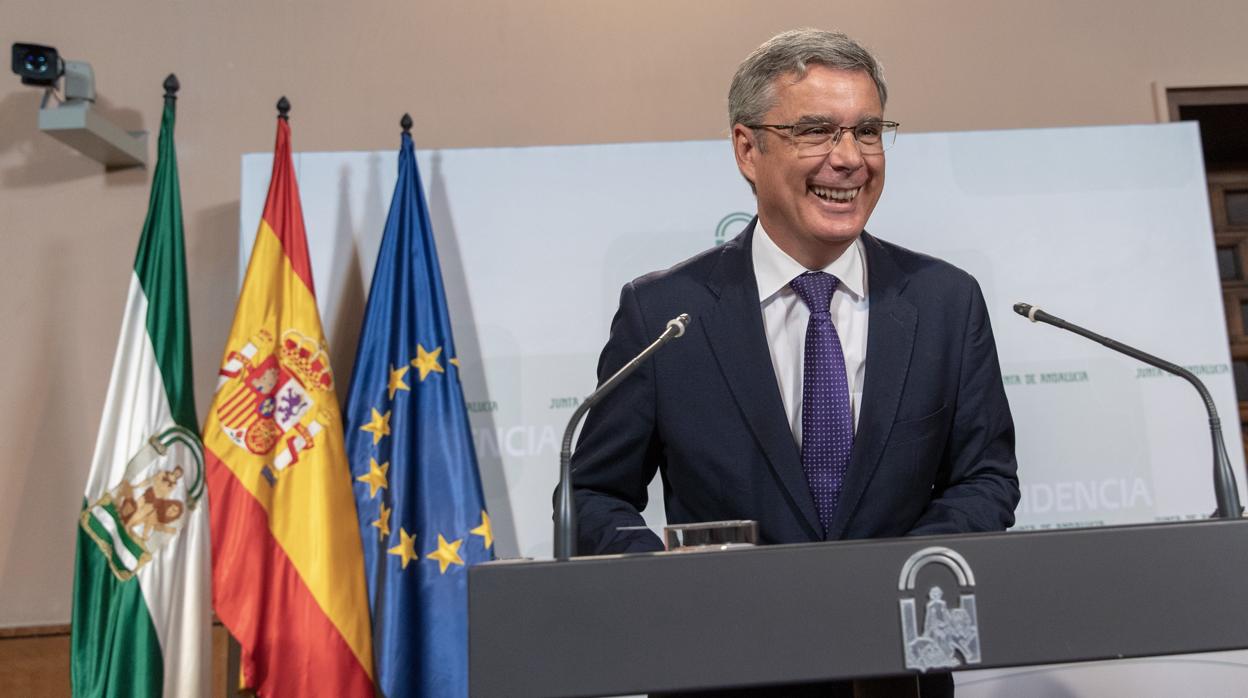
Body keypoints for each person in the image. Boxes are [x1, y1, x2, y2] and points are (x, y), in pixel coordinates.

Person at [564, 28, 1020, 696]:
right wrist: (659, 571)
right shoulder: (663, 313)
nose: (850, 159)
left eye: (867, 131)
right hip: (722, 671)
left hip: (896, 676)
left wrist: (894, 579)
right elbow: (590, 495)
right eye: (815, 131)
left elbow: (985, 480)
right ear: (748, 149)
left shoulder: (946, 302)